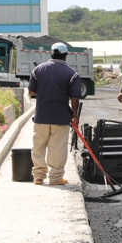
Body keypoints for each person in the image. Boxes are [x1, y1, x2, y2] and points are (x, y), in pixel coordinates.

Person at [29, 42, 81, 186]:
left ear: (51, 54)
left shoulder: (38, 70)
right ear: (65, 55)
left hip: (41, 116)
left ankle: (38, 177)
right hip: (61, 117)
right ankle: (56, 177)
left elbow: (32, 91)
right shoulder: (71, 73)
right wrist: (75, 115)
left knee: (38, 146)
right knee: (57, 147)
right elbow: (74, 97)